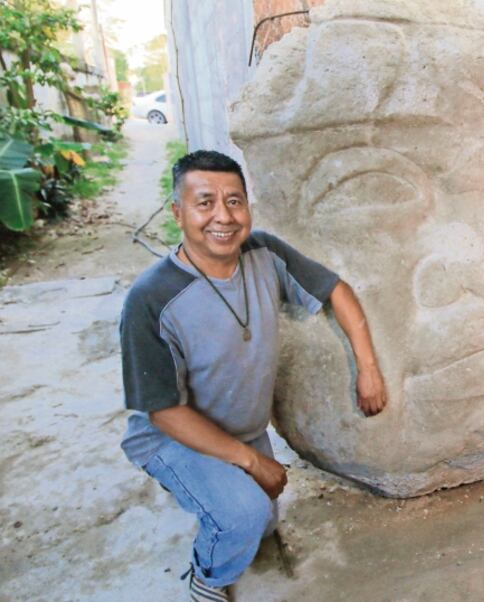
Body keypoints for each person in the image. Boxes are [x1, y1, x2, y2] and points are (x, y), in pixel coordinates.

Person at [119, 150, 388, 601]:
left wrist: (369, 370)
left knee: (261, 524)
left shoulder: (264, 252)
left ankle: (219, 494)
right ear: (177, 212)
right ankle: (206, 579)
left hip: (240, 429)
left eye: (234, 201)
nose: (222, 216)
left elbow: (336, 291)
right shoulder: (151, 298)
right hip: (171, 438)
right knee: (240, 520)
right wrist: (251, 462)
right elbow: (164, 412)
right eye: (205, 202)